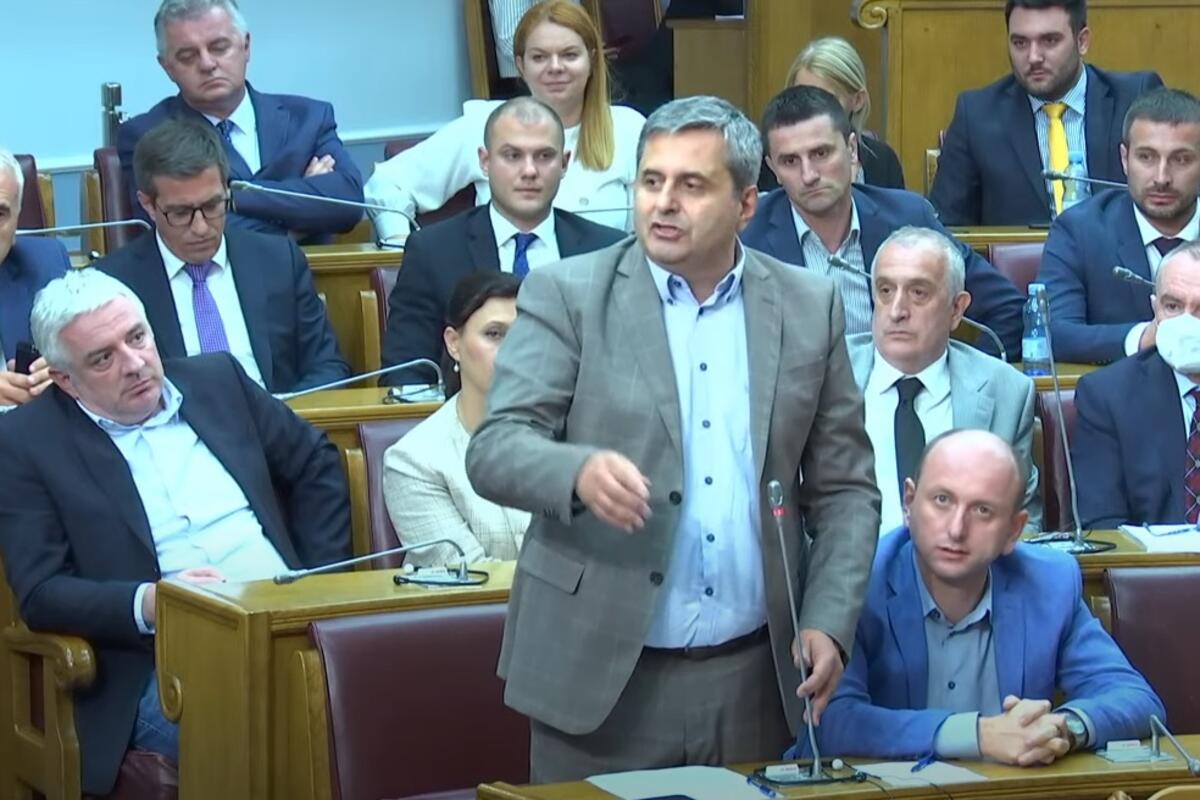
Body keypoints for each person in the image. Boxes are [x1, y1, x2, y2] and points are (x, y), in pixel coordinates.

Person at [466, 95, 880, 781]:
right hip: (599, 683)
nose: (663, 203)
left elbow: (846, 490)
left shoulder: (809, 306)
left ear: (746, 204)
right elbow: (496, 447)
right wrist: (576, 472)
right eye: (651, 181)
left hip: (756, 683)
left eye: (691, 185)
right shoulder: (569, 294)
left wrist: (830, 619)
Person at [0, 268, 351, 795]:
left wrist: (316, 581)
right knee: (286, 721)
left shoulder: (217, 379)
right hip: (159, 660)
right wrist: (150, 602)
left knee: (389, 683)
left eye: (137, 337)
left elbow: (316, 463)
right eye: (103, 358)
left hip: (291, 616)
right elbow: (42, 591)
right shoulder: (26, 442)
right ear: (66, 380)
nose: (135, 363)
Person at [795, 429, 1163, 764]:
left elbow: (1135, 698)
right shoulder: (855, 586)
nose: (956, 529)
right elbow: (829, 723)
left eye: (982, 510)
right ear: (909, 503)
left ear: (1013, 531)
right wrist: (978, 735)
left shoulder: (1049, 584)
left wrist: (1061, 729)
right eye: (942, 500)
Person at [743, 86, 1024, 355]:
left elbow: (1007, 309)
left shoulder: (907, 218)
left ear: (852, 150)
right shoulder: (746, 236)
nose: (809, 175)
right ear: (772, 168)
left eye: (821, 154)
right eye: (790, 161)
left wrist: (957, 375)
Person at [380, 97, 624, 386]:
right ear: (485, 161)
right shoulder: (433, 251)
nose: (529, 171)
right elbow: (406, 371)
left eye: (544, 156)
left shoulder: (607, 251)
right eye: (512, 156)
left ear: (564, 163)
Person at [97, 119, 349, 396]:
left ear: (227, 190)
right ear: (148, 205)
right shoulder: (112, 285)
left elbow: (328, 368)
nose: (201, 228)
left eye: (212, 206)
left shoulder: (278, 260)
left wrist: (282, 415)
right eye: (180, 213)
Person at [365, 0, 645, 240]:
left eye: (569, 55)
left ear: (592, 60)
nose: (555, 67)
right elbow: (387, 183)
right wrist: (398, 248)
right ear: (521, 66)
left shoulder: (629, 129)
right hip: (504, 282)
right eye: (540, 57)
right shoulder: (485, 125)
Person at [846, 227, 1041, 536]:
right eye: (885, 291)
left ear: (956, 309)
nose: (897, 311)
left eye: (918, 293)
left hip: (965, 563)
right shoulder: (822, 375)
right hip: (849, 566)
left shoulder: (1006, 392)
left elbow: (1020, 522)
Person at [118, 0, 364, 241]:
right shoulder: (147, 135)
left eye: (219, 47)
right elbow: (179, 232)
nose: (207, 64)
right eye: (187, 56)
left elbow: (347, 204)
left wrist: (234, 198)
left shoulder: (308, 117)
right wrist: (299, 211)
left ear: (246, 46)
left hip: (318, 267)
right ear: (167, 67)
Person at [929, 0, 1162, 226]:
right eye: (1020, 43)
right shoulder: (977, 115)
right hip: (1018, 254)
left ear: (1082, 41)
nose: (1033, 57)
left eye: (1049, 41)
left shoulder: (1136, 98)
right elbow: (946, 227)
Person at [1038, 87, 1200, 364]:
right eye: (1146, 157)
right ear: (1125, 159)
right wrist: (1144, 337)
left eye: (1181, 159)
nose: (1161, 178)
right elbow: (1054, 333)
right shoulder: (1079, 230)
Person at [383, 272, 531, 567]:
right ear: (454, 343)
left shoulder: (577, 432)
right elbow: (472, 578)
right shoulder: (415, 461)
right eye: (494, 334)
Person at [1074, 242, 1200, 528]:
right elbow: (1101, 521)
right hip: (1153, 557)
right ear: (1155, 308)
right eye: (1172, 306)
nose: (1186, 324)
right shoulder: (1107, 396)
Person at [760, 36, 903, 192]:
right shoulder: (768, 159)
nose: (811, 112)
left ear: (857, 101)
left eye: (827, 100)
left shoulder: (882, 159)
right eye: (802, 98)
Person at [0, 149, 69, 406]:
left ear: (17, 220)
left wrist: (66, 369)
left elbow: (89, 354)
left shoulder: (45, 264)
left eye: (0, 214)